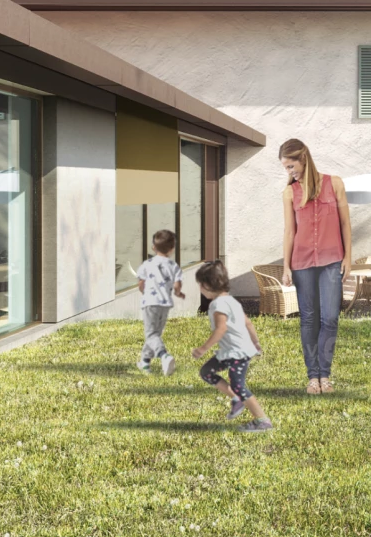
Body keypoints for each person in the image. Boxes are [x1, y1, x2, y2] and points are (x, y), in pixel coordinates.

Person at [279, 137, 352, 394]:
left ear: (303, 159)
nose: (289, 172)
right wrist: (286, 267)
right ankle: (314, 377)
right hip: (302, 263)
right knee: (309, 319)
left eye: (291, 166)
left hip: (332, 261)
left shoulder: (335, 184)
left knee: (330, 318)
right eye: (285, 168)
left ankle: (326, 374)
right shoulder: (290, 192)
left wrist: (348, 258)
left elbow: (345, 224)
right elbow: (290, 232)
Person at [189, 261, 273, 432]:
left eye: (200, 285)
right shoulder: (231, 300)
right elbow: (248, 322)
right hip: (229, 352)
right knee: (206, 372)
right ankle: (236, 400)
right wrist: (255, 342)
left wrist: (202, 349)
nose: (200, 288)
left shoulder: (218, 305)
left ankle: (263, 420)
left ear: (206, 285)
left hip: (237, 353)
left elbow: (221, 329)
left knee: (239, 386)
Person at [135, 228, 184, 374]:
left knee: (151, 334)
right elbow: (177, 285)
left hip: (150, 303)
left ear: (153, 247)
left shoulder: (147, 264)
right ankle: (144, 363)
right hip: (165, 304)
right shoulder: (173, 266)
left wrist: (143, 291)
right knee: (155, 333)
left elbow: (141, 283)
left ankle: (164, 355)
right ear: (172, 249)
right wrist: (178, 293)